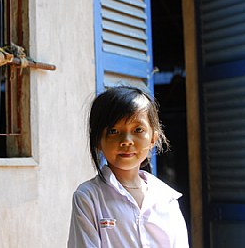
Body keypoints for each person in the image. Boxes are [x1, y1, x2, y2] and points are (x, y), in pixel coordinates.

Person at [68, 85, 188, 248]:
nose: (126, 140)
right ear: (98, 141)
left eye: (138, 129)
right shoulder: (89, 197)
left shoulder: (167, 199)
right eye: (113, 131)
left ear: (153, 138)